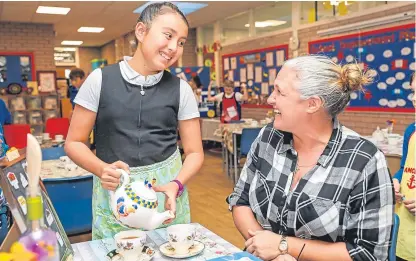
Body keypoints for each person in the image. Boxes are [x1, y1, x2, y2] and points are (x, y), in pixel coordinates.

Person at [227, 55, 394, 261]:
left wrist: (284, 246)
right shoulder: (268, 137)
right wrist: (267, 250)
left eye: (279, 92)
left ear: (312, 104)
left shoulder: (364, 160)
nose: (270, 99)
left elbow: (368, 254)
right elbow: (240, 200)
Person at [64, 2, 204, 239]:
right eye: (168, 35)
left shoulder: (182, 90)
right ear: (141, 31)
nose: (174, 48)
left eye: (181, 42)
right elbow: (74, 142)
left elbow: (195, 152)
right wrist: (102, 169)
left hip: (165, 194)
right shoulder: (99, 80)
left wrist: (177, 184)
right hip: (116, 194)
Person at [392, 72, 415, 261]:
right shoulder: (411, 131)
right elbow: (404, 167)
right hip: (405, 227)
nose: (414, 98)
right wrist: (395, 181)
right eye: (413, 91)